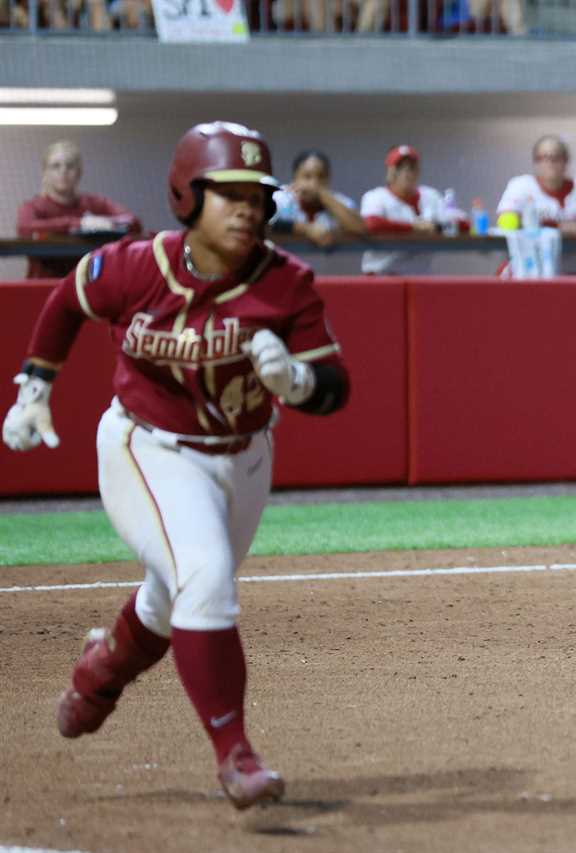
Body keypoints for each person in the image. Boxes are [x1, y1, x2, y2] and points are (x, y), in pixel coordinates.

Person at [2, 121, 350, 810]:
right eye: (230, 194)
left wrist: (299, 385)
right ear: (187, 196)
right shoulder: (136, 265)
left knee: (173, 597)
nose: (249, 208)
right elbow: (66, 301)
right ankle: (237, 756)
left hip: (245, 459)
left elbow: (335, 385)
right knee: (206, 577)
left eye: (258, 195)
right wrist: (34, 387)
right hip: (147, 446)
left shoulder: (286, 283)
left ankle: (98, 675)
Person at [496, 135, 576, 275]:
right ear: (536, 162)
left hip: (570, 272)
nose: (550, 163)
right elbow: (507, 222)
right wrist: (558, 226)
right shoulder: (520, 186)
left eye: (556, 157)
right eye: (544, 157)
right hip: (524, 272)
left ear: (566, 161)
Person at [16, 140, 141, 280]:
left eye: (70, 166)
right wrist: (80, 223)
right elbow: (25, 228)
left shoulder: (94, 203)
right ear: (45, 172)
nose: (63, 171)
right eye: (55, 166)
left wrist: (106, 223)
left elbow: (132, 221)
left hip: (83, 289)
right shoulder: (32, 207)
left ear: (79, 172)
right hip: (42, 288)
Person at [360, 144, 446, 275]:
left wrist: (437, 227)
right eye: (400, 167)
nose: (406, 172)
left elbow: (458, 222)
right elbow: (371, 224)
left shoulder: (431, 196)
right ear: (390, 171)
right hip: (382, 275)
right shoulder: (375, 196)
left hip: (419, 277)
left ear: (418, 171)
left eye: (411, 167)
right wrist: (413, 227)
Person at [270, 149, 367, 248]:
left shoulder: (337, 201)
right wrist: (306, 229)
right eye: (307, 177)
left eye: (321, 177)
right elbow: (264, 223)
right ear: (295, 178)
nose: (314, 183)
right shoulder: (281, 197)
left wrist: (322, 195)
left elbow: (360, 228)